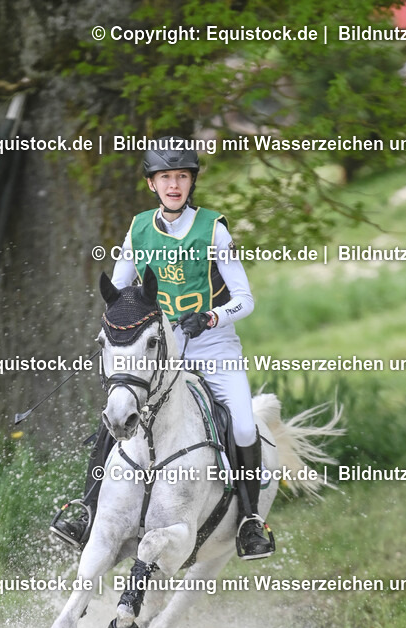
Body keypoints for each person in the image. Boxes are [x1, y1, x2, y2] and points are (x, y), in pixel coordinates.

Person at [51, 138, 274, 559]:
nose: (175, 185)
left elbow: (245, 299)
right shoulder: (138, 230)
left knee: (243, 426)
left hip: (214, 348)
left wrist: (211, 317)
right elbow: (118, 296)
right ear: (152, 184)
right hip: (161, 354)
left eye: (182, 177)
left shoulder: (214, 229)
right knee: (115, 417)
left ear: (191, 183)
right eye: (166, 178)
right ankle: (85, 507)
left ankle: (248, 520)